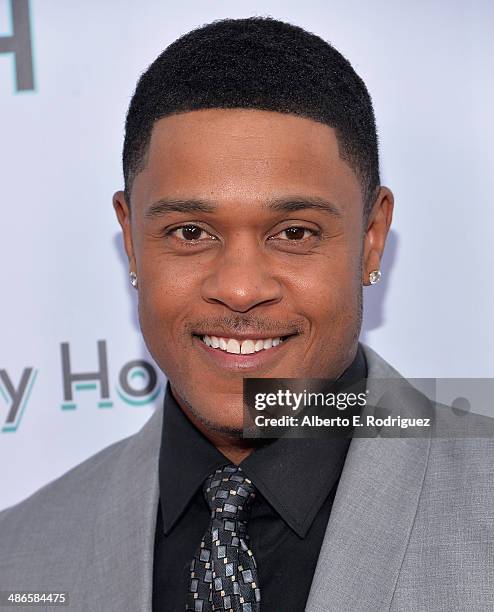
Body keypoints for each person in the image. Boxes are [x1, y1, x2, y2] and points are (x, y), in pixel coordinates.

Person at [1, 16, 493, 612]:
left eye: (293, 232)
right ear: (130, 239)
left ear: (371, 237)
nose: (238, 290)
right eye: (190, 231)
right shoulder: (19, 556)